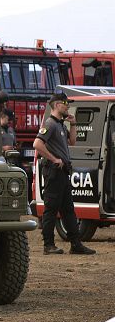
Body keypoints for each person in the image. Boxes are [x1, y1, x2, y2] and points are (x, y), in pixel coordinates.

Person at [33, 92, 95, 255]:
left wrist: (73, 124)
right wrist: (54, 159)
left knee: (68, 209)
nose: (68, 105)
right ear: (56, 105)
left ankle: (76, 244)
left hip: (62, 172)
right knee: (51, 209)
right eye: (65, 102)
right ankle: (48, 245)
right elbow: (37, 144)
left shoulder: (60, 124)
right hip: (54, 172)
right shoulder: (50, 124)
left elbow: (72, 142)